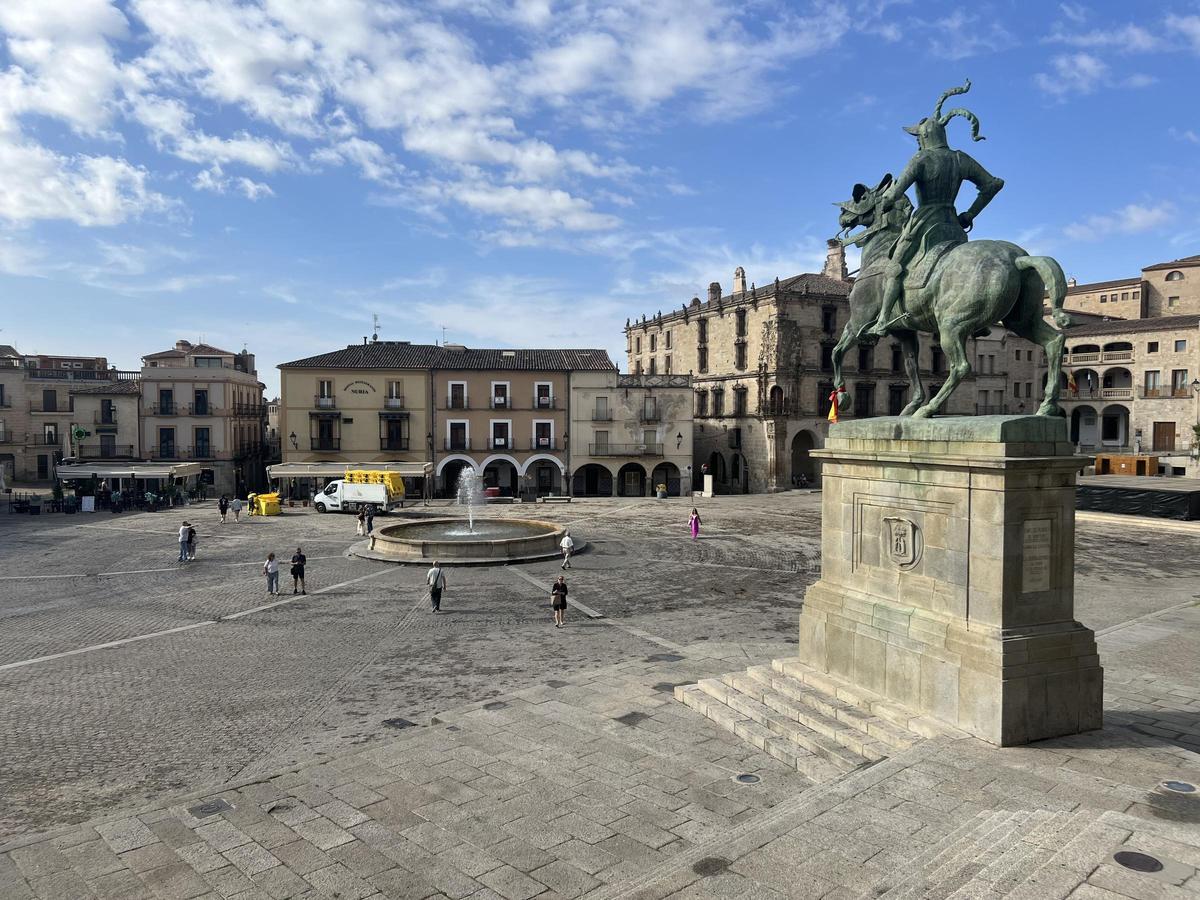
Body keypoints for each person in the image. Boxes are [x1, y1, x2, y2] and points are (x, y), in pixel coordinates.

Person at [865, 80, 1004, 338]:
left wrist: (884, 202)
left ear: (923, 137)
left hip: (925, 223)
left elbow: (895, 193)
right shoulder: (961, 158)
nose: (917, 143)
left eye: (917, 138)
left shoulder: (921, 159)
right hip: (953, 226)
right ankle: (978, 318)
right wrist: (970, 214)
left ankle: (883, 319)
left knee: (894, 267)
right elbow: (993, 185)